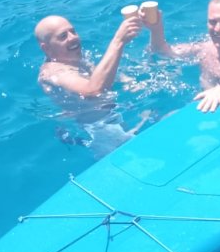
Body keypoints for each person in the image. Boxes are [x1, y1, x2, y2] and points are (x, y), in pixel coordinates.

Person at [34, 13, 145, 157]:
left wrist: (127, 81)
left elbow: (101, 76)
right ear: (46, 48)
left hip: (115, 113)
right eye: (63, 36)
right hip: (100, 128)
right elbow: (93, 91)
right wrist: (118, 41)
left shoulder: (73, 57)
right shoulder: (53, 73)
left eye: (73, 31)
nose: (73, 37)